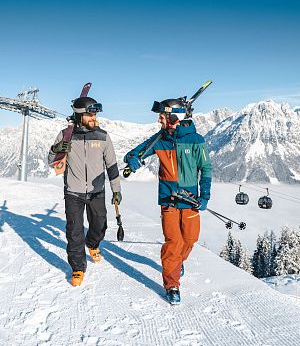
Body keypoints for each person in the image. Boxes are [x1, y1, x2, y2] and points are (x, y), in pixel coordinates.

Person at [123, 98, 212, 304]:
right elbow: (134, 153)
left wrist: (204, 195)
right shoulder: (160, 139)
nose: (158, 121)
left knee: (190, 239)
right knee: (173, 242)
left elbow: (206, 169)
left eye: (161, 117)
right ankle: (172, 284)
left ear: (173, 118)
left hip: (190, 200)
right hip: (168, 199)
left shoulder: (196, 140)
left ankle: (178, 262)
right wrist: (133, 160)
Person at [48, 97, 122, 286]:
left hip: (97, 191)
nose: (94, 118)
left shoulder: (103, 136)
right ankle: (78, 268)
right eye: (90, 114)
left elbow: (112, 166)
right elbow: (52, 160)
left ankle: (93, 244)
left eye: (95, 114)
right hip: (73, 192)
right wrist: (57, 149)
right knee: (74, 231)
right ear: (80, 115)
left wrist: (116, 190)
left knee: (99, 225)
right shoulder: (66, 135)